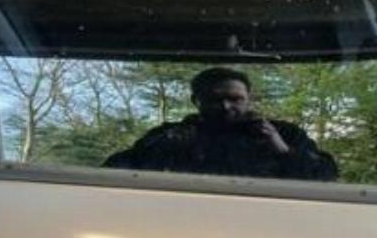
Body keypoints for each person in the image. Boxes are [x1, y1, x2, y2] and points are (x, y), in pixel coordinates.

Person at [103, 67, 338, 181]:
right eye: (215, 100)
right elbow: (113, 171)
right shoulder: (170, 135)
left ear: (249, 99)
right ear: (196, 101)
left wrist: (282, 149)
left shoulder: (285, 134)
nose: (226, 106)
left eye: (235, 99)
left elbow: (326, 175)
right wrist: (162, 146)